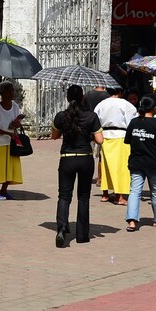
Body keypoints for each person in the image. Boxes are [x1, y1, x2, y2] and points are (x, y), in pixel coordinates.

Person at [51, 85, 103, 247]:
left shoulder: (61, 116)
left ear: (67, 98)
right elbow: (100, 140)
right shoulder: (91, 116)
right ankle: (82, 235)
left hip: (67, 158)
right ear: (82, 98)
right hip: (85, 158)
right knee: (83, 196)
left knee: (64, 196)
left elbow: (54, 136)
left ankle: (62, 228)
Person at [124, 95, 156, 232]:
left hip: (136, 162)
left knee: (135, 191)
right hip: (154, 163)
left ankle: (132, 221)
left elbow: (128, 142)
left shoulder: (134, 123)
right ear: (155, 109)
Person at [94, 88, 137, 205]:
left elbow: (95, 120)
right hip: (121, 136)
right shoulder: (126, 104)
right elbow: (132, 121)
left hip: (105, 136)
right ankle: (119, 196)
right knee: (121, 167)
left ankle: (105, 194)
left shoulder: (101, 104)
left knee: (106, 165)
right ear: (120, 92)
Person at [0, 81, 24, 200]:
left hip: (12, 141)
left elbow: (17, 123)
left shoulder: (15, 106)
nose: (13, 93)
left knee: (11, 167)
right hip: (0, 142)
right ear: (3, 93)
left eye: (12, 90)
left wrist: (16, 124)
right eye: (10, 90)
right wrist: (6, 133)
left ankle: (4, 190)